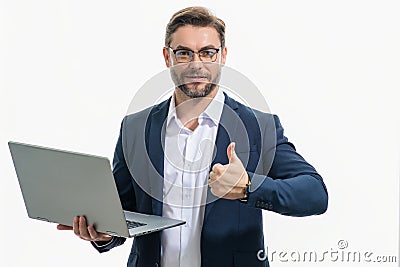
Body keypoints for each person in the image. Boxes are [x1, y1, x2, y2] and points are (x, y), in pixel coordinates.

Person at [57, 6, 328, 267]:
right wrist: (104, 234)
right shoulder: (136, 127)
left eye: (207, 53)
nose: (196, 64)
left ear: (223, 56)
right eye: (184, 53)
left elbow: (315, 194)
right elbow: (123, 212)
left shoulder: (258, 126)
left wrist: (248, 187)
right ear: (168, 57)